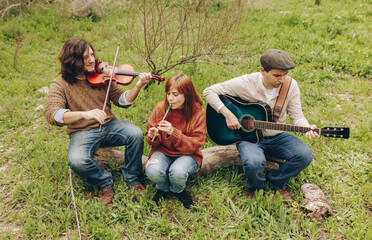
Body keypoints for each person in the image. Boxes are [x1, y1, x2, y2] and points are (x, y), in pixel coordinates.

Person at [44, 37, 152, 206]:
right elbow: (53, 114)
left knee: (135, 133)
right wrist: (85, 114)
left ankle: (132, 178)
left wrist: (137, 86)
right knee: (77, 160)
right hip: (82, 131)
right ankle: (105, 183)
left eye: (93, 54)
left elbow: (122, 100)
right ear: (73, 59)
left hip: (109, 125)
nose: (92, 60)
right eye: (86, 57)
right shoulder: (60, 83)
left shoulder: (102, 74)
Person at [203, 49, 319, 200]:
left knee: (304, 155)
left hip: (276, 135)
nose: (282, 80)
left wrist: (306, 127)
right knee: (253, 162)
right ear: (263, 71)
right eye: (277, 75)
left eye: (285, 75)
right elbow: (209, 91)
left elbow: (297, 116)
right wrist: (228, 114)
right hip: (247, 136)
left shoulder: (290, 86)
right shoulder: (245, 83)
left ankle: (276, 181)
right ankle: (255, 187)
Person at [145, 73, 206, 208]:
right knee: (152, 171)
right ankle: (163, 187)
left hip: (188, 154)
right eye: (168, 94)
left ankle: (178, 190)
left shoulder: (198, 113)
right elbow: (152, 141)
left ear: (187, 94)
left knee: (177, 172)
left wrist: (174, 133)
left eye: (175, 94)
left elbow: (196, 144)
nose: (170, 98)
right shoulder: (161, 108)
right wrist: (153, 136)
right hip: (163, 151)